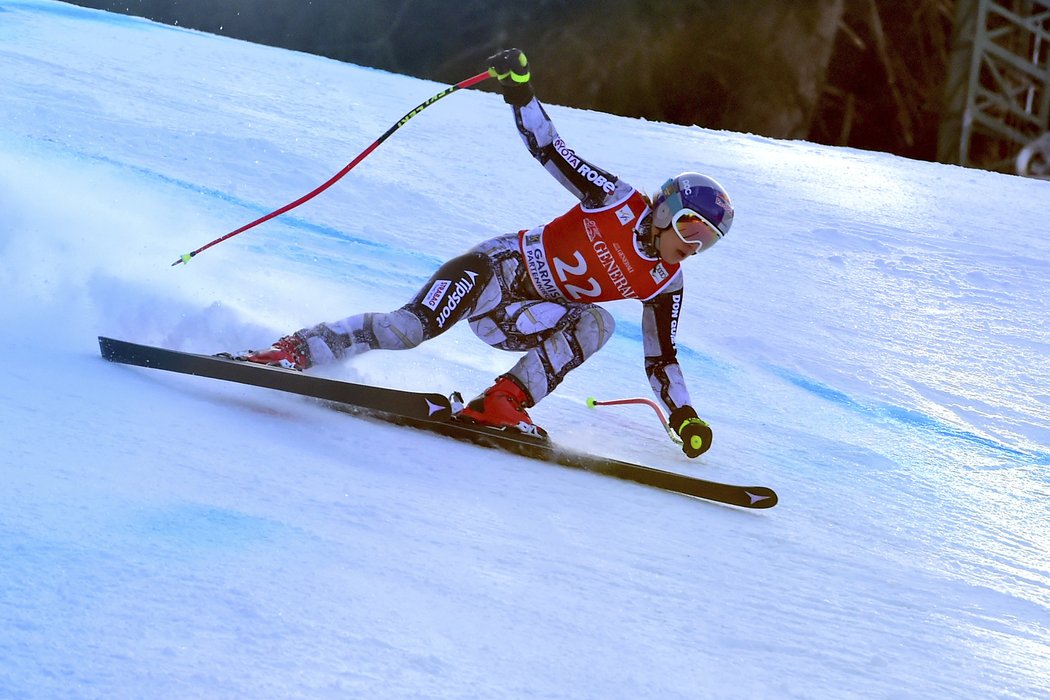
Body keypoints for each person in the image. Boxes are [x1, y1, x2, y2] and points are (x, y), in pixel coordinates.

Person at [244, 49, 734, 458]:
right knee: (408, 328)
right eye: (692, 227)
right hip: (494, 273)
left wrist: (683, 415)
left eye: (707, 241)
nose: (692, 247)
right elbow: (551, 149)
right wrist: (520, 92)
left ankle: (502, 402)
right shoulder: (616, 200)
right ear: (667, 207)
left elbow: (661, 359)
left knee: (598, 323)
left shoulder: (665, 281)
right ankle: (294, 349)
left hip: (526, 318)